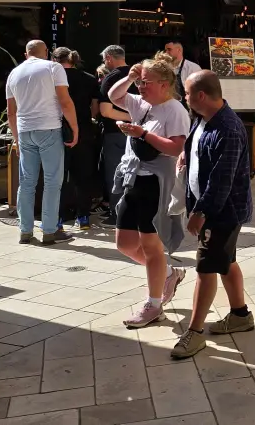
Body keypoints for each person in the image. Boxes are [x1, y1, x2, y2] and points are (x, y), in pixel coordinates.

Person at [171, 71, 254, 359]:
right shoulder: (203, 119)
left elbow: (222, 181)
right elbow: (197, 145)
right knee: (226, 261)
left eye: (186, 92)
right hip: (212, 209)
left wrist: (200, 212)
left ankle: (194, 333)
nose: (184, 97)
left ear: (200, 96)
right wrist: (186, 153)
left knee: (205, 268)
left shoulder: (228, 129)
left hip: (221, 212)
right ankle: (241, 315)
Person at [109, 57, 190, 328]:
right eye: (140, 81)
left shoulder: (174, 109)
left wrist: (143, 134)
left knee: (151, 246)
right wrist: (129, 78)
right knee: (125, 244)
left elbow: (176, 148)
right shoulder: (140, 103)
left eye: (146, 82)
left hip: (155, 183)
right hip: (133, 179)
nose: (141, 87)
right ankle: (168, 274)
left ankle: (153, 305)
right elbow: (113, 95)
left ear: (164, 84)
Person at [6, 40, 78, 245]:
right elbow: (65, 102)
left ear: (26, 53)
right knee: (52, 182)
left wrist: (17, 139)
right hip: (49, 128)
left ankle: (25, 231)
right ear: (46, 52)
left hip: (24, 130)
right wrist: (75, 128)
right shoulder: (53, 67)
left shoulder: (14, 73)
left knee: (27, 182)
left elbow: (11, 112)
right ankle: (49, 230)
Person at [53, 47, 100, 232]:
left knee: (58, 177)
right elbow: (95, 107)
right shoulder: (89, 78)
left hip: (59, 129)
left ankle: (58, 219)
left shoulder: (53, 79)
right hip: (85, 130)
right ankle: (83, 218)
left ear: (55, 60)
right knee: (83, 176)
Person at [98, 46, 135, 225]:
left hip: (116, 133)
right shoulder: (140, 75)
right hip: (142, 131)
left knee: (116, 173)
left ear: (109, 58)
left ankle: (117, 213)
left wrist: (129, 118)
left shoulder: (110, 78)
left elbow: (105, 111)